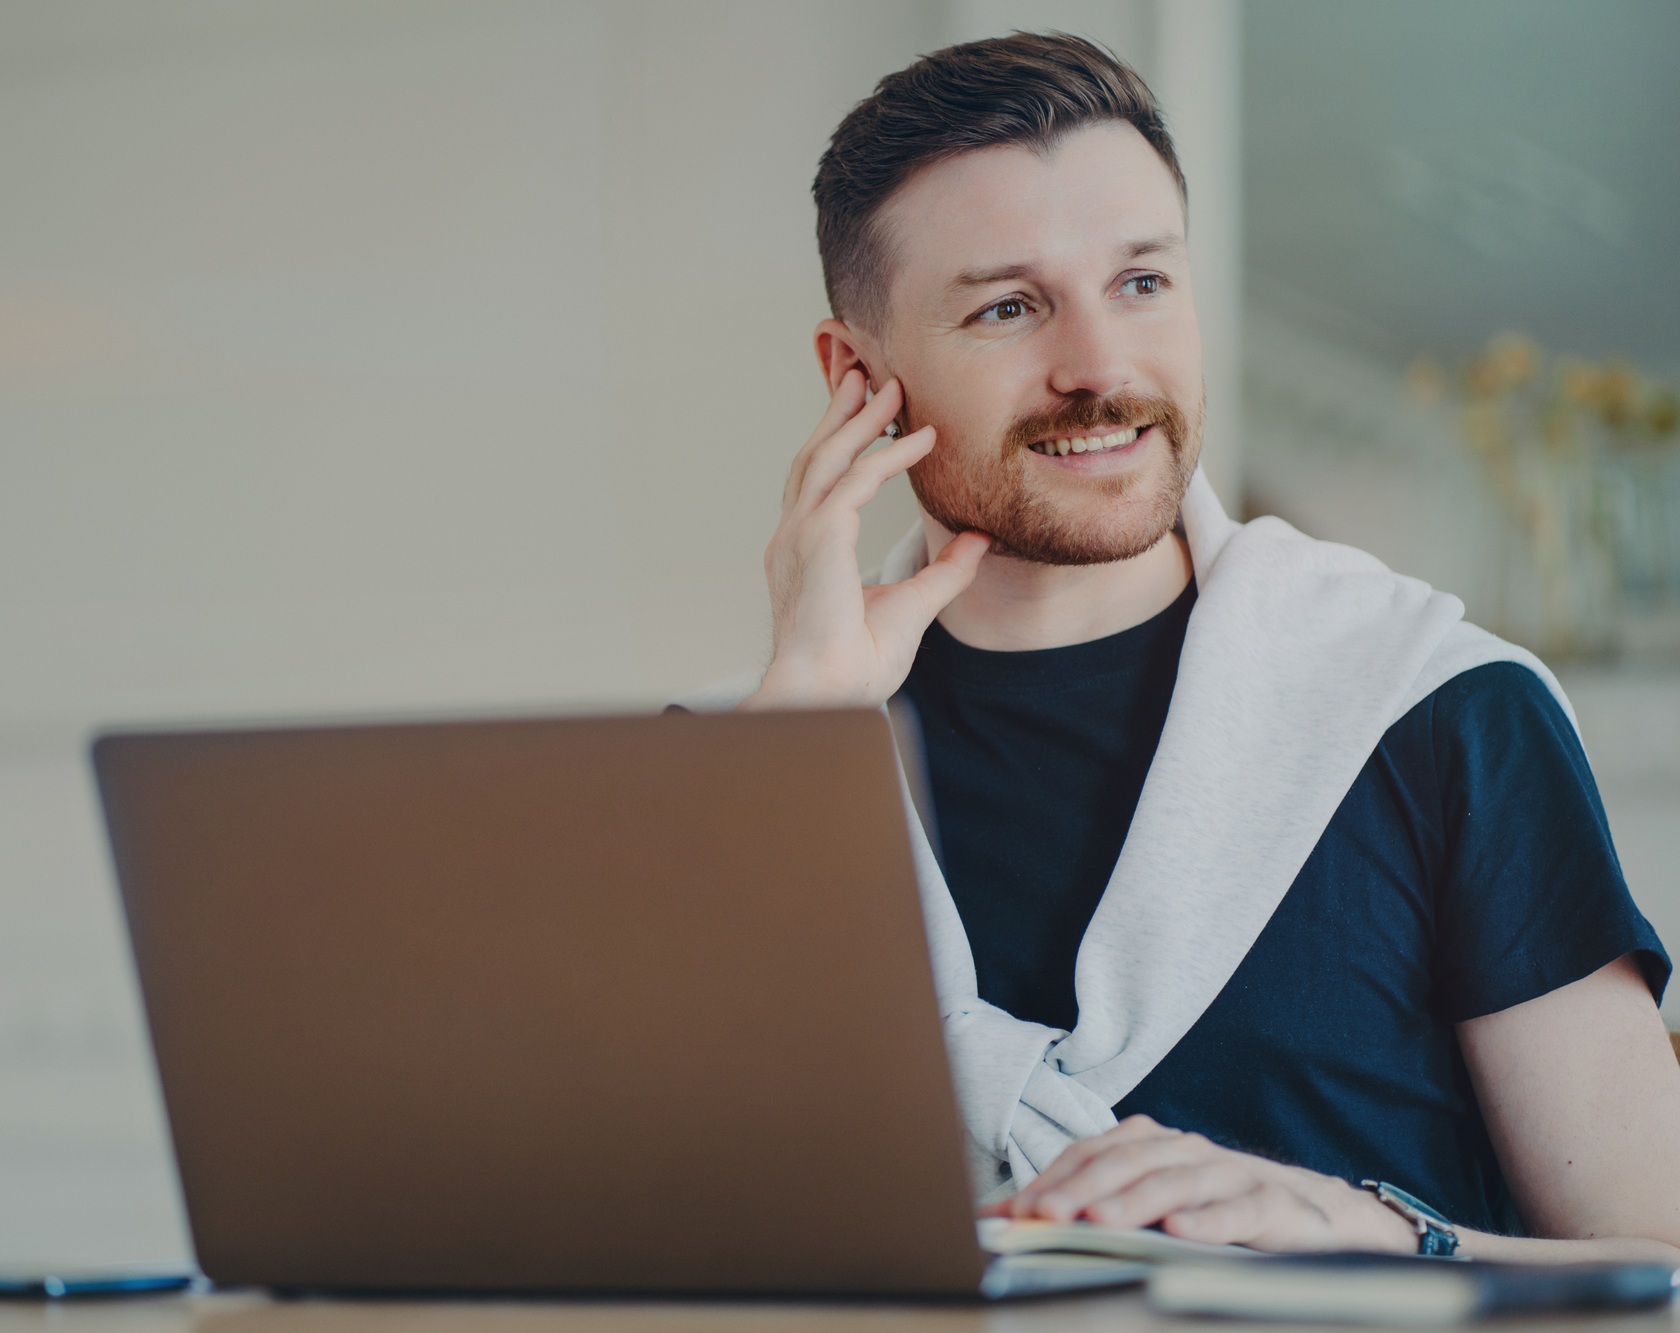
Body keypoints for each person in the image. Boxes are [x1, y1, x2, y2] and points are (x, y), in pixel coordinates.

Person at [710, 32, 1680, 1260]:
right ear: (858, 378)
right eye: (1008, 307)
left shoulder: (1437, 709)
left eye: (1140, 284)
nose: (1099, 369)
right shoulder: (727, 769)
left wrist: (1365, 1223)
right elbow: (626, 1224)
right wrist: (794, 742)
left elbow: (1659, 1269)